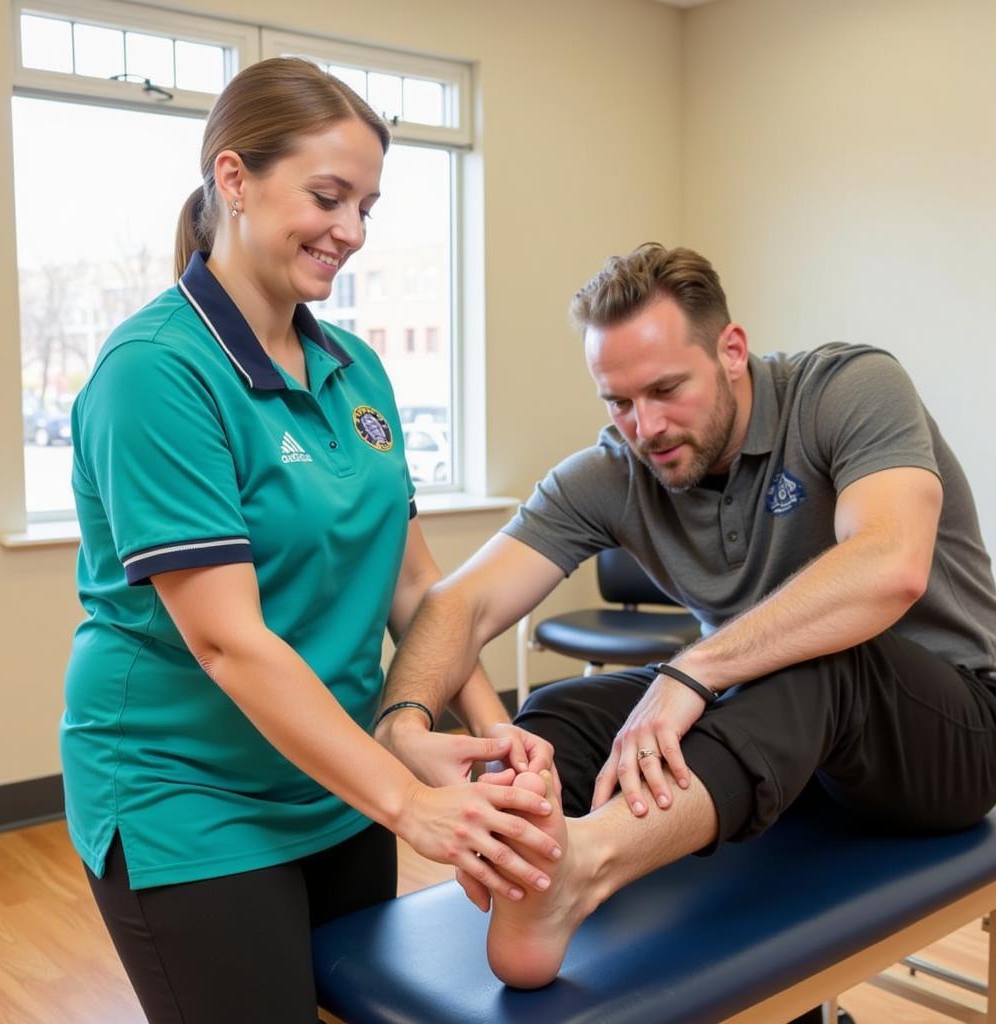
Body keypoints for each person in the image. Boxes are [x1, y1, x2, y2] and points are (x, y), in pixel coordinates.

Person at [60, 57, 561, 1024]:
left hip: (336, 778)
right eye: (329, 197)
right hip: (189, 793)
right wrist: (409, 803)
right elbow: (225, 639)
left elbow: (416, 592)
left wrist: (490, 734)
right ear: (234, 178)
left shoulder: (355, 367)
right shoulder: (157, 372)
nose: (353, 232)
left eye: (368, 206)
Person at [376, 242, 996, 992]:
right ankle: (526, 860)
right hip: (788, 740)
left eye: (668, 389)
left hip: (950, 736)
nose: (648, 426)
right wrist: (403, 725)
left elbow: (889, 565)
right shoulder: (614, 471)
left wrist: (691, 671)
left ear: (731, 351)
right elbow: (459, 603)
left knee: (822, 658)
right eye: (620, 401)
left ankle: (586, 865)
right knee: (562, 712)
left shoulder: (848, 387)